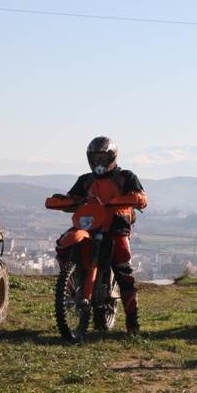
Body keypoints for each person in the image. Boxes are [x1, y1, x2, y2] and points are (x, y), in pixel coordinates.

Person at [56, 136, 148, 334]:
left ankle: (132, 323)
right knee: (63, 246)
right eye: (95, 157)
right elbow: (73, 198)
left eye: (102, 157)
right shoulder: (85, 180)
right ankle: (71, 285)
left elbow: (141, 198)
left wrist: (130, 199)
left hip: (116, 227)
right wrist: (61, 201)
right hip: (88, 227)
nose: (99, 162)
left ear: (112, 157)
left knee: (123, 270)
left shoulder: (125, 177)